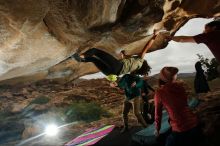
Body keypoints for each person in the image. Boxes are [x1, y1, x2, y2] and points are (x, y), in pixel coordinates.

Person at [154, 67, 201, 146]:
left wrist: (157, 129)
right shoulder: (180, 87)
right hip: (194, 124)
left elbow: (158, 114)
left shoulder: (159, 92)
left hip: (180, 129)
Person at [71, 34, 157, 77]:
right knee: (93, 59)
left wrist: (154, 36)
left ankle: (81, 56)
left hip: (117, 66)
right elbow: (126, 61)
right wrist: (123, 54)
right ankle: (79, 59)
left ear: (145, 63)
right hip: (111, 74)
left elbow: (147, 47)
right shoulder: (134, 70)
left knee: (95, 51)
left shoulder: (140, 60)